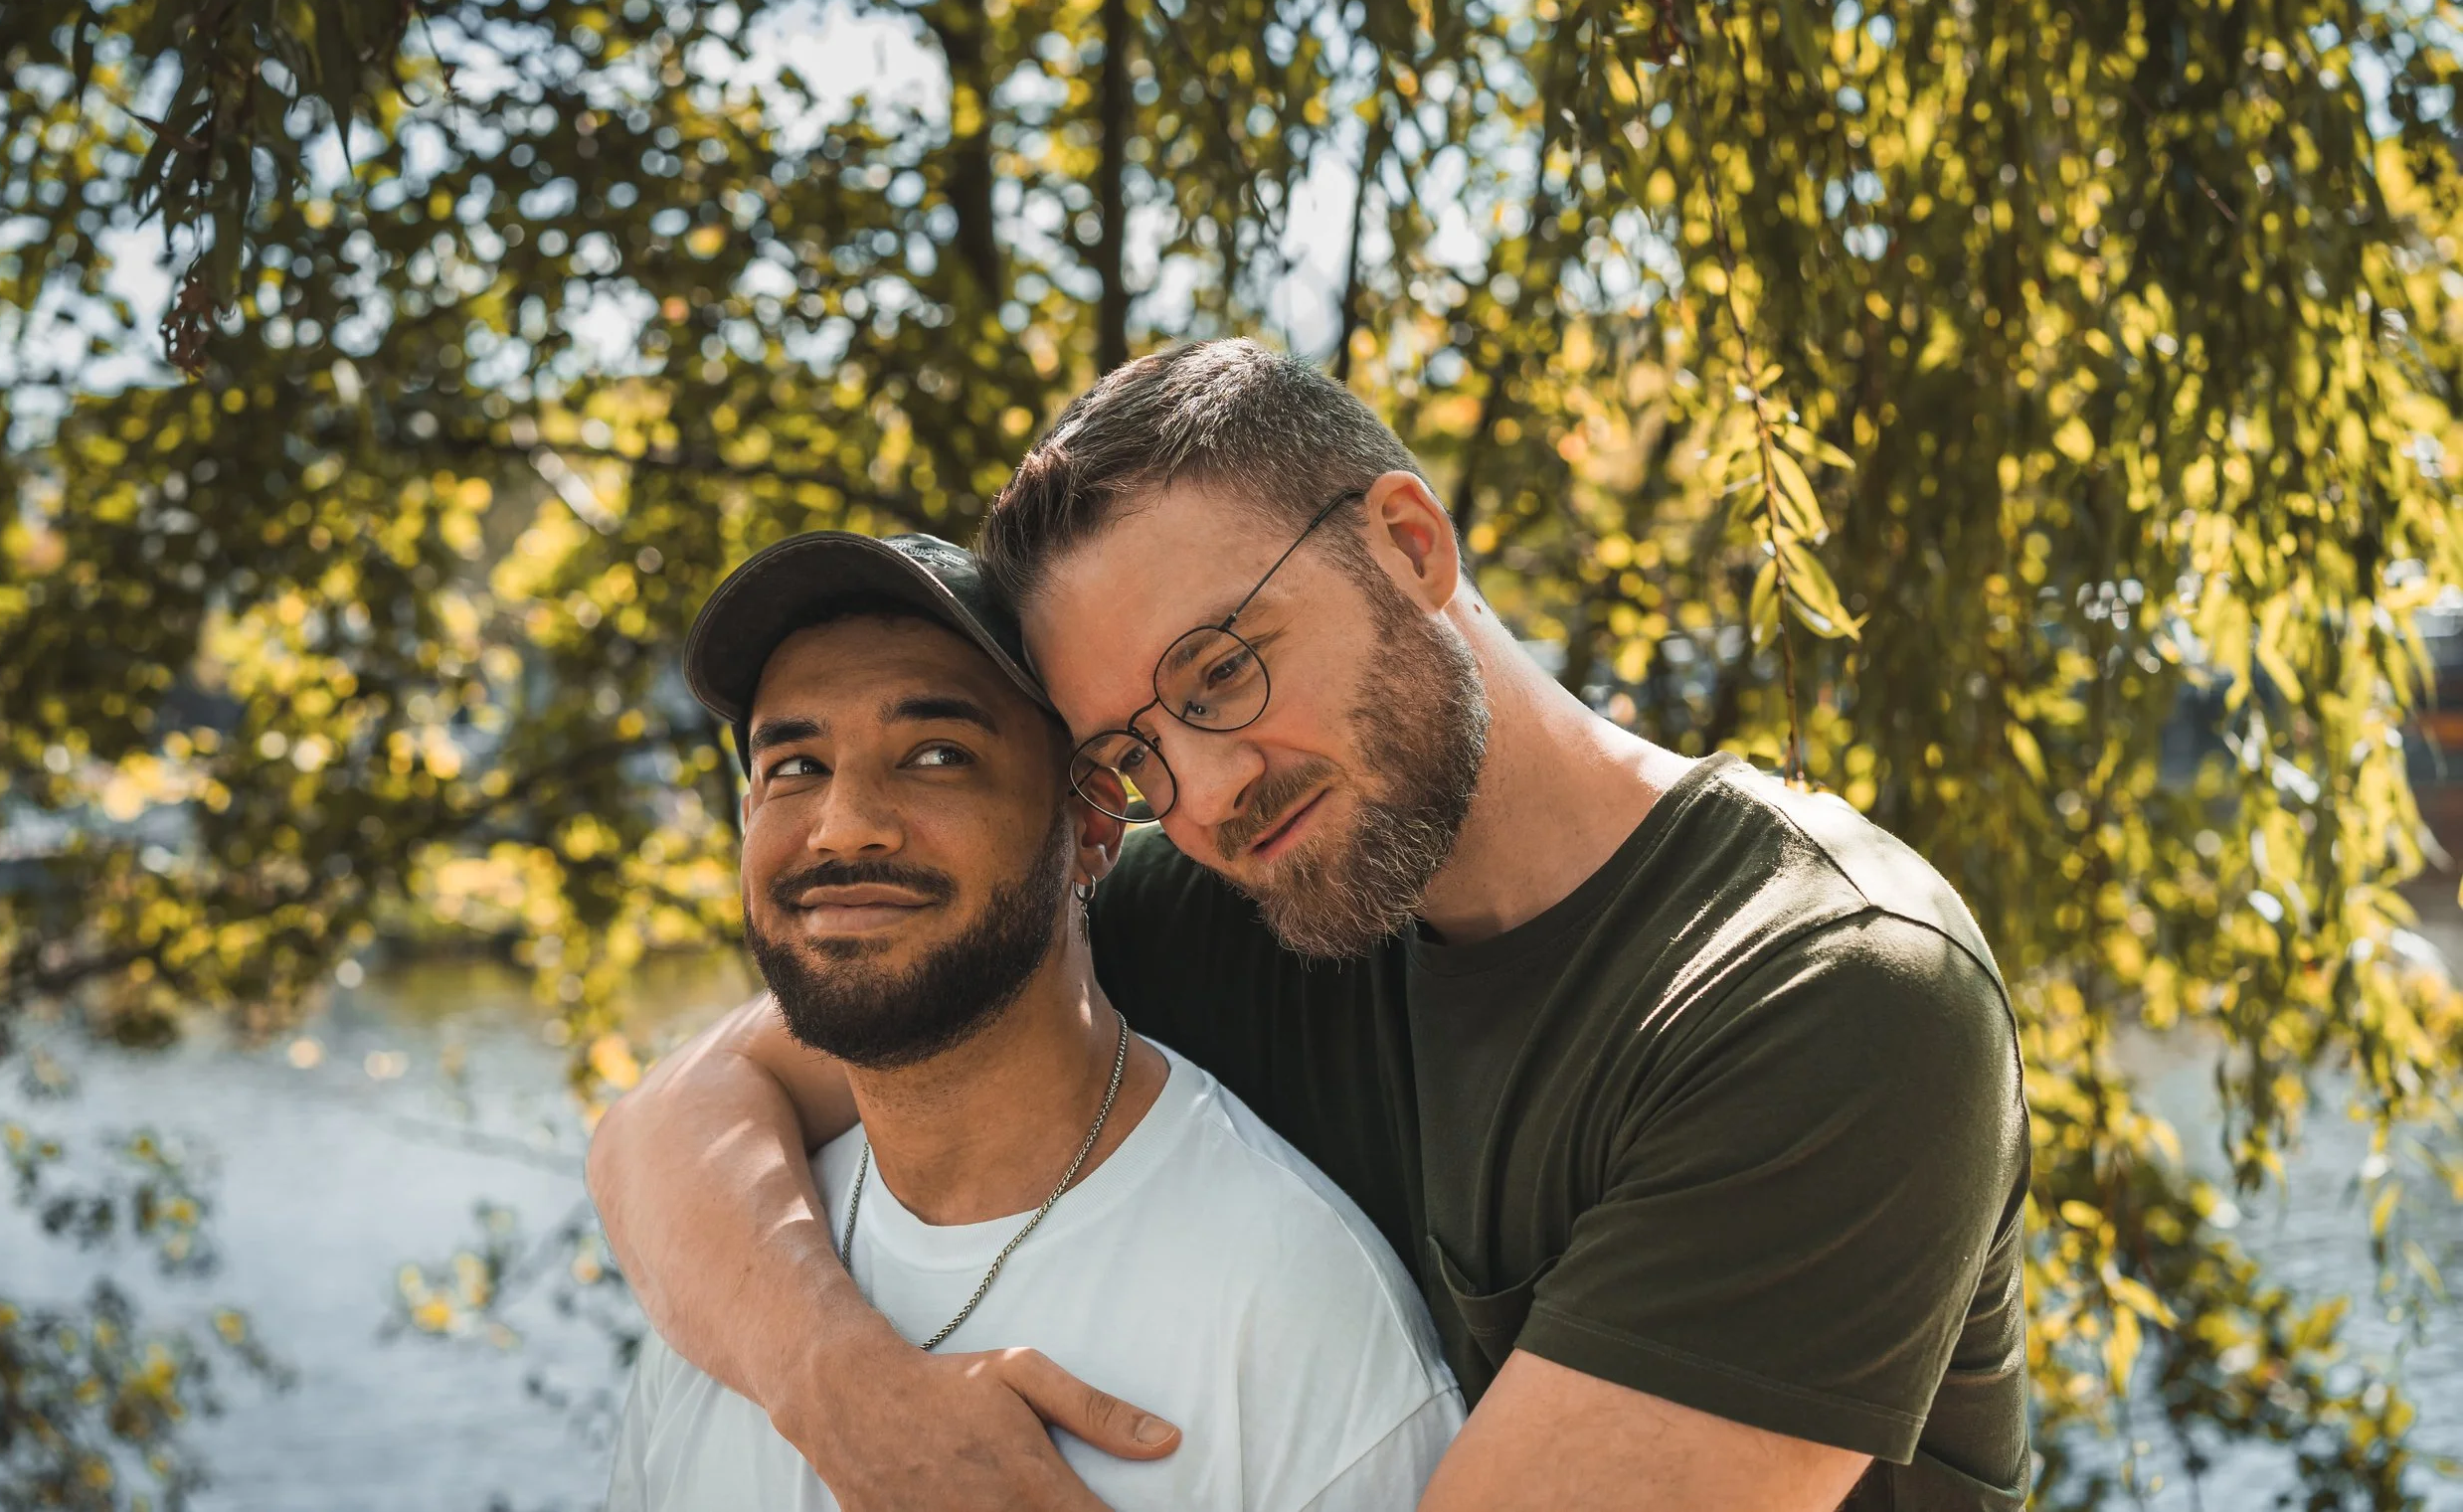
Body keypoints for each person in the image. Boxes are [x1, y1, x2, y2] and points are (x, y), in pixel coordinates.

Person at [591, 341, 2031, 1512]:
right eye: (1132, 752)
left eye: (1220, 670)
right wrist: (856, 1399)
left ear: (1409, 544)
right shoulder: (1242, 891)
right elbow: (675, 1115)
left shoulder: (1830, 992)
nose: (1203, 792)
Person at [605, 530, 1463, 1511]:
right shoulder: (731, 1283)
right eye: (794, 764)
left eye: (937, 753)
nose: (843, 823)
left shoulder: (1288, 1309)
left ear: (1094, 823)